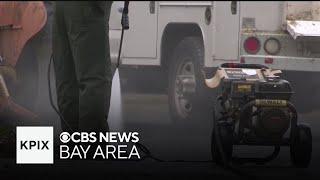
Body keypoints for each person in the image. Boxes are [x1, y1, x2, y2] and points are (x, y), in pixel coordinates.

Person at [52, 1, 113, 133]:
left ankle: (73, 147)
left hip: (61, 6)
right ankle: (91, 149)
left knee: (68, 81)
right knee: (93, 80)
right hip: (87, 7)